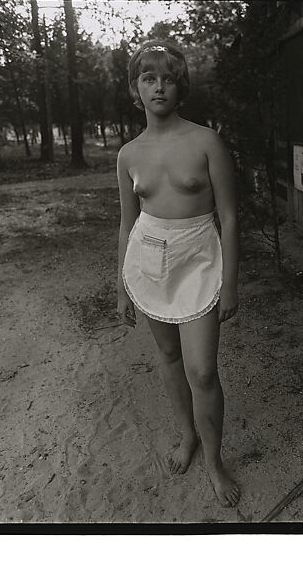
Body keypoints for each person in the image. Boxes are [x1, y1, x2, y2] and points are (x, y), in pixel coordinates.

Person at [116, 39, 240, 508]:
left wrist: (230, 282)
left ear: (180, 86)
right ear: (136, 89)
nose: (159, 86)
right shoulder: (129, 154)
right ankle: (186, 435)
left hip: (199, 258)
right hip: (148, 259)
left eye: (168, 77)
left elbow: (228, 216)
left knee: (202, 369)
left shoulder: (205, 140)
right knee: (169, 357)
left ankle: (215, 460)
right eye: (149, 78)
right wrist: (121, 285)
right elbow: (127, 221)